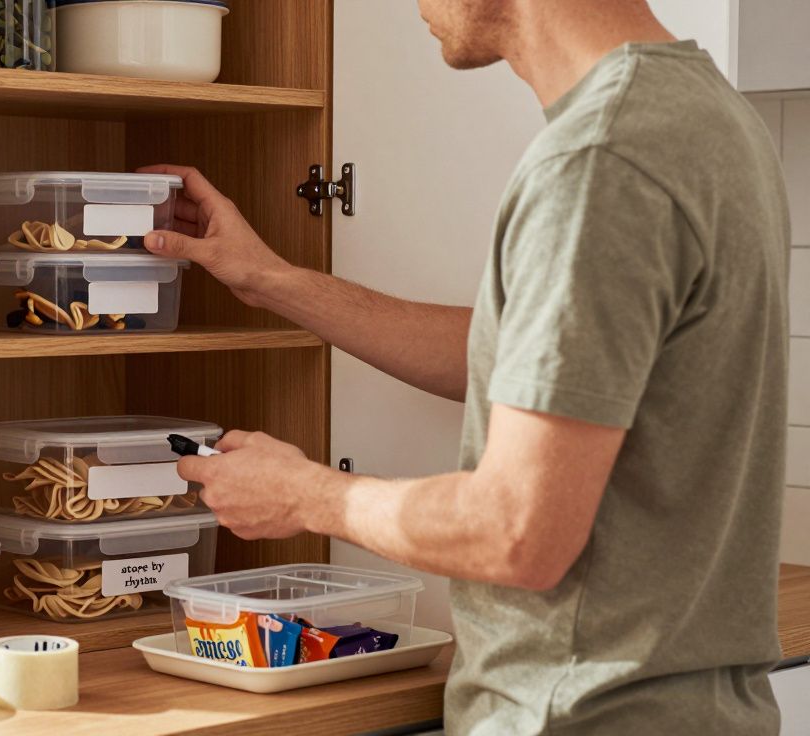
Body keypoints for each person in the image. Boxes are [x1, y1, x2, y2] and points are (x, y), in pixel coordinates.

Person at [139, 0, 791, 733]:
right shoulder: (704, 116)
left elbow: (519, 531)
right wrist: (268, 280)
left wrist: (308, 496)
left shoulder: (600, 161)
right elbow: (541, 361)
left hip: (581, 715)